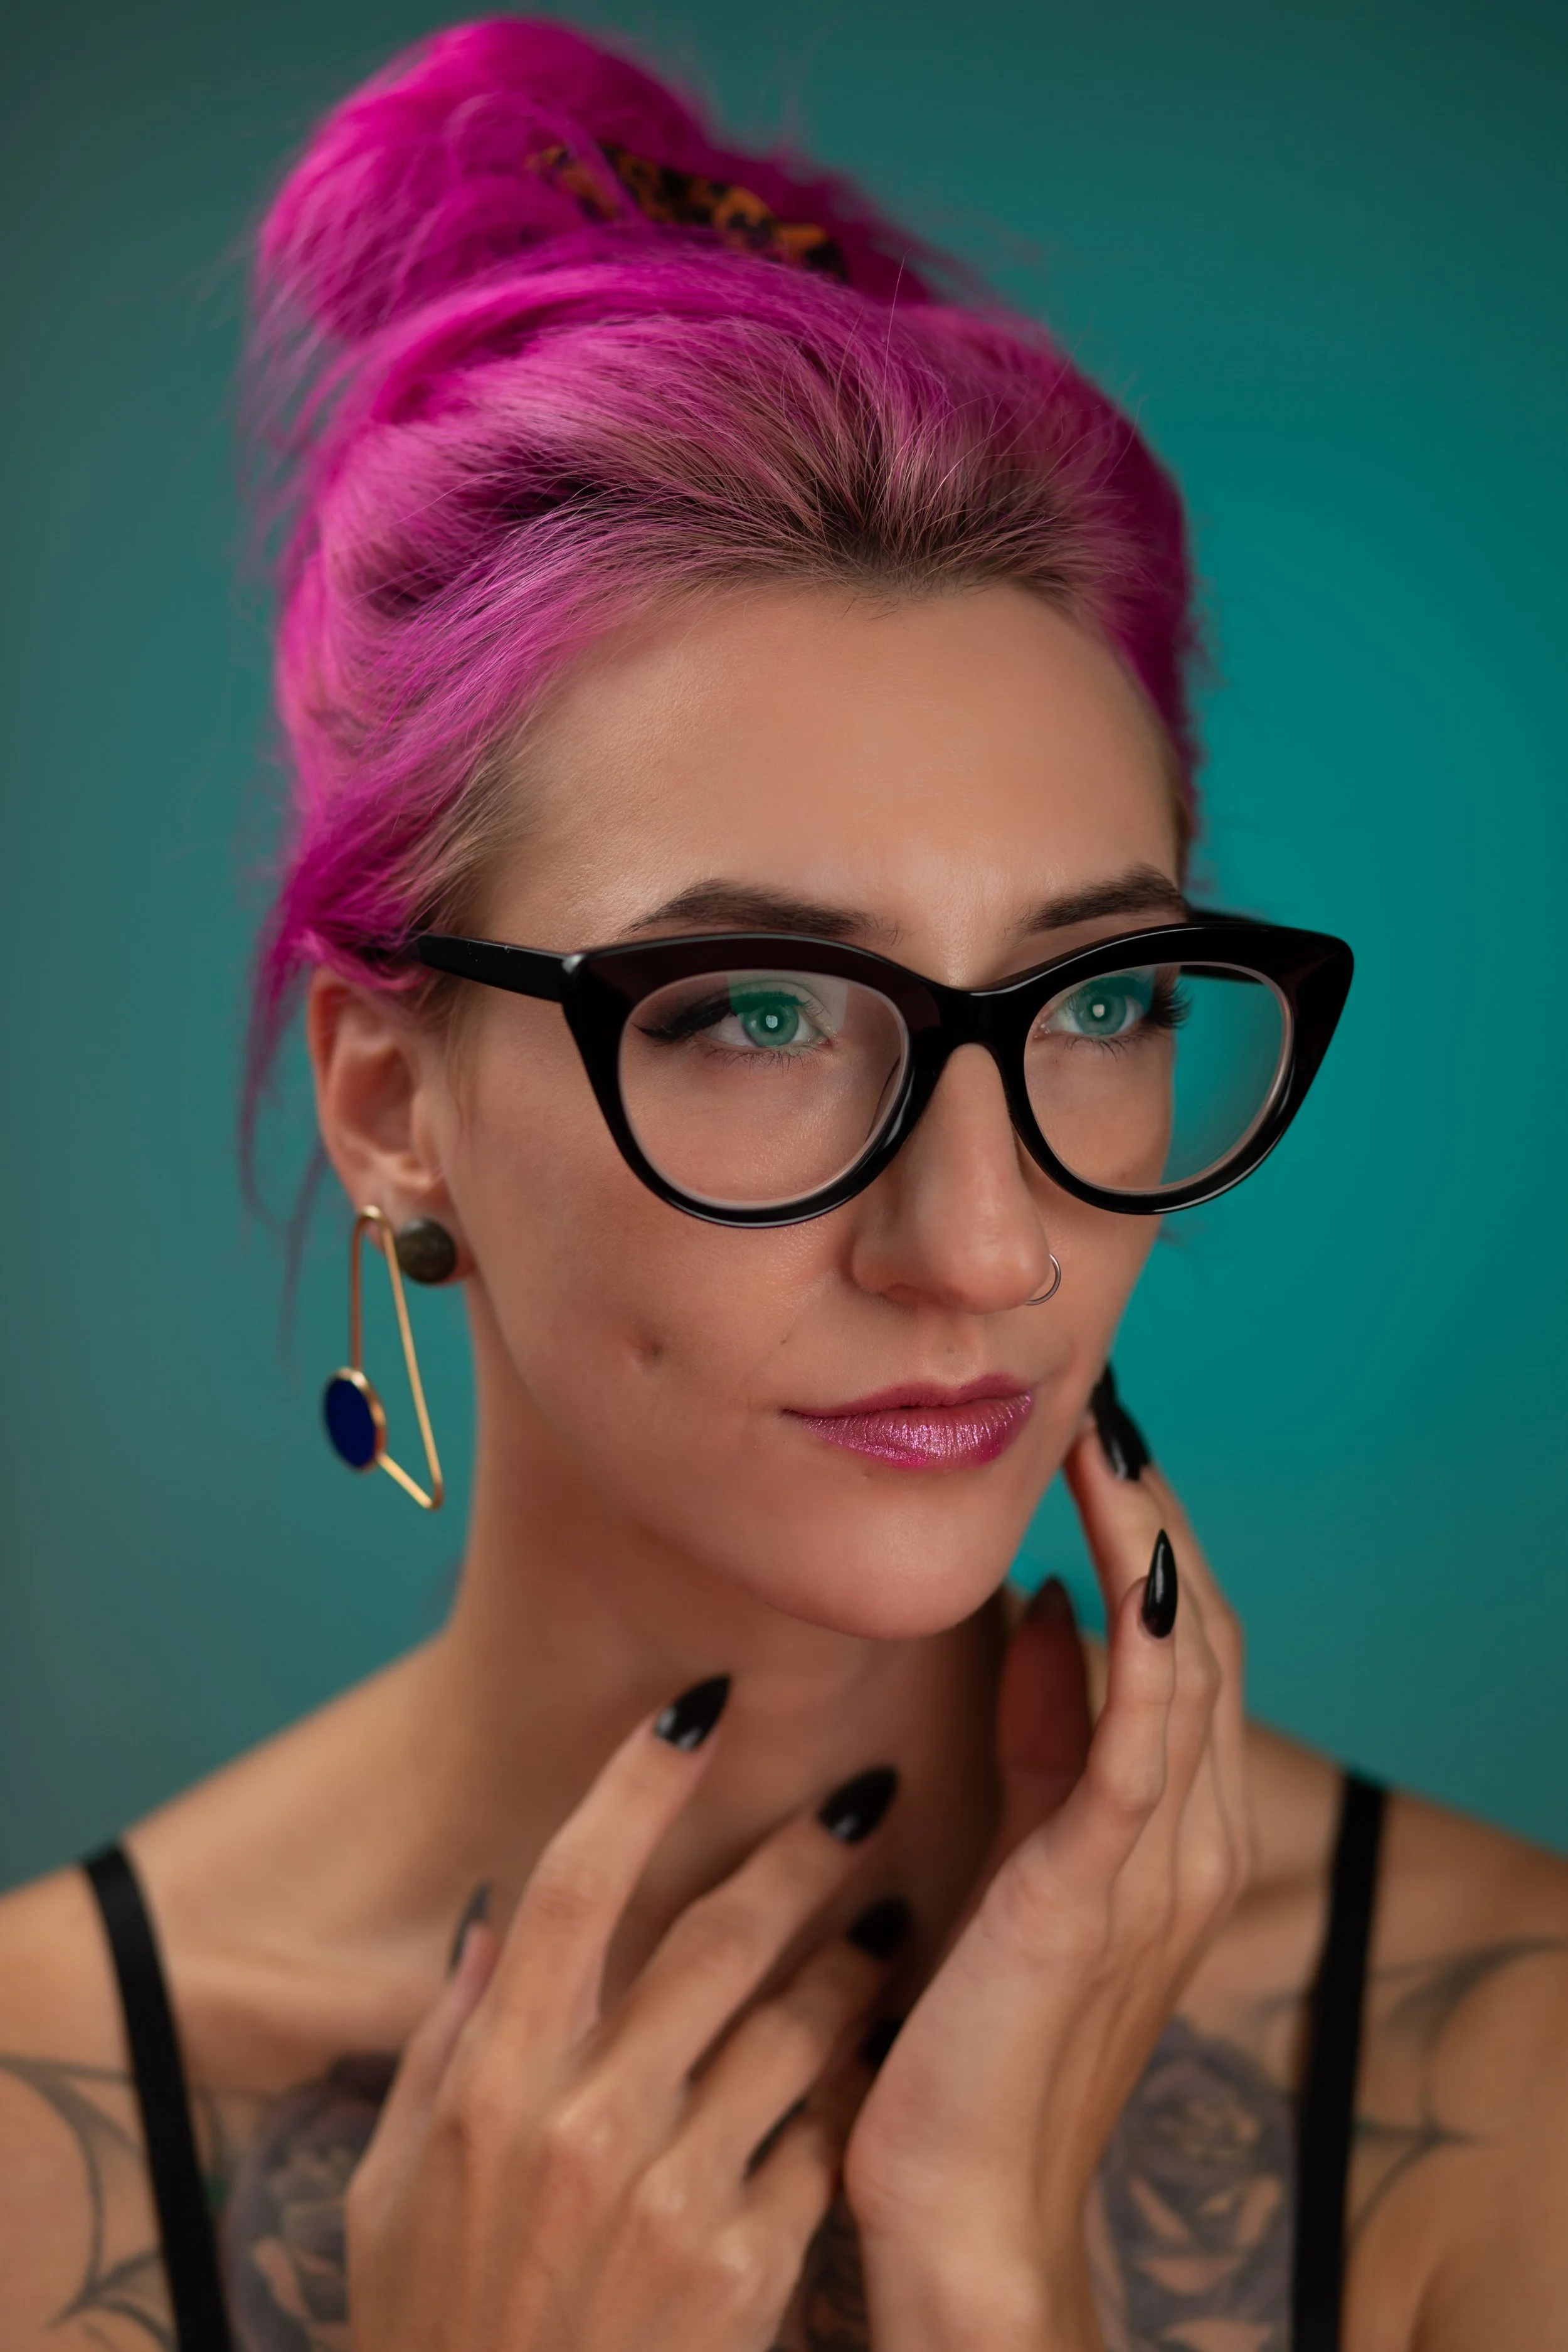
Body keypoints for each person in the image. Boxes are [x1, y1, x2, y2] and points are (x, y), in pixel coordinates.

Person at [2, 18, 1565, 2349]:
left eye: (1099, 1001)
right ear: (387, 1094)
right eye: (754, 1013)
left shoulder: (1510, 2075)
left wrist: (988, 2283)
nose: (988, 1244)